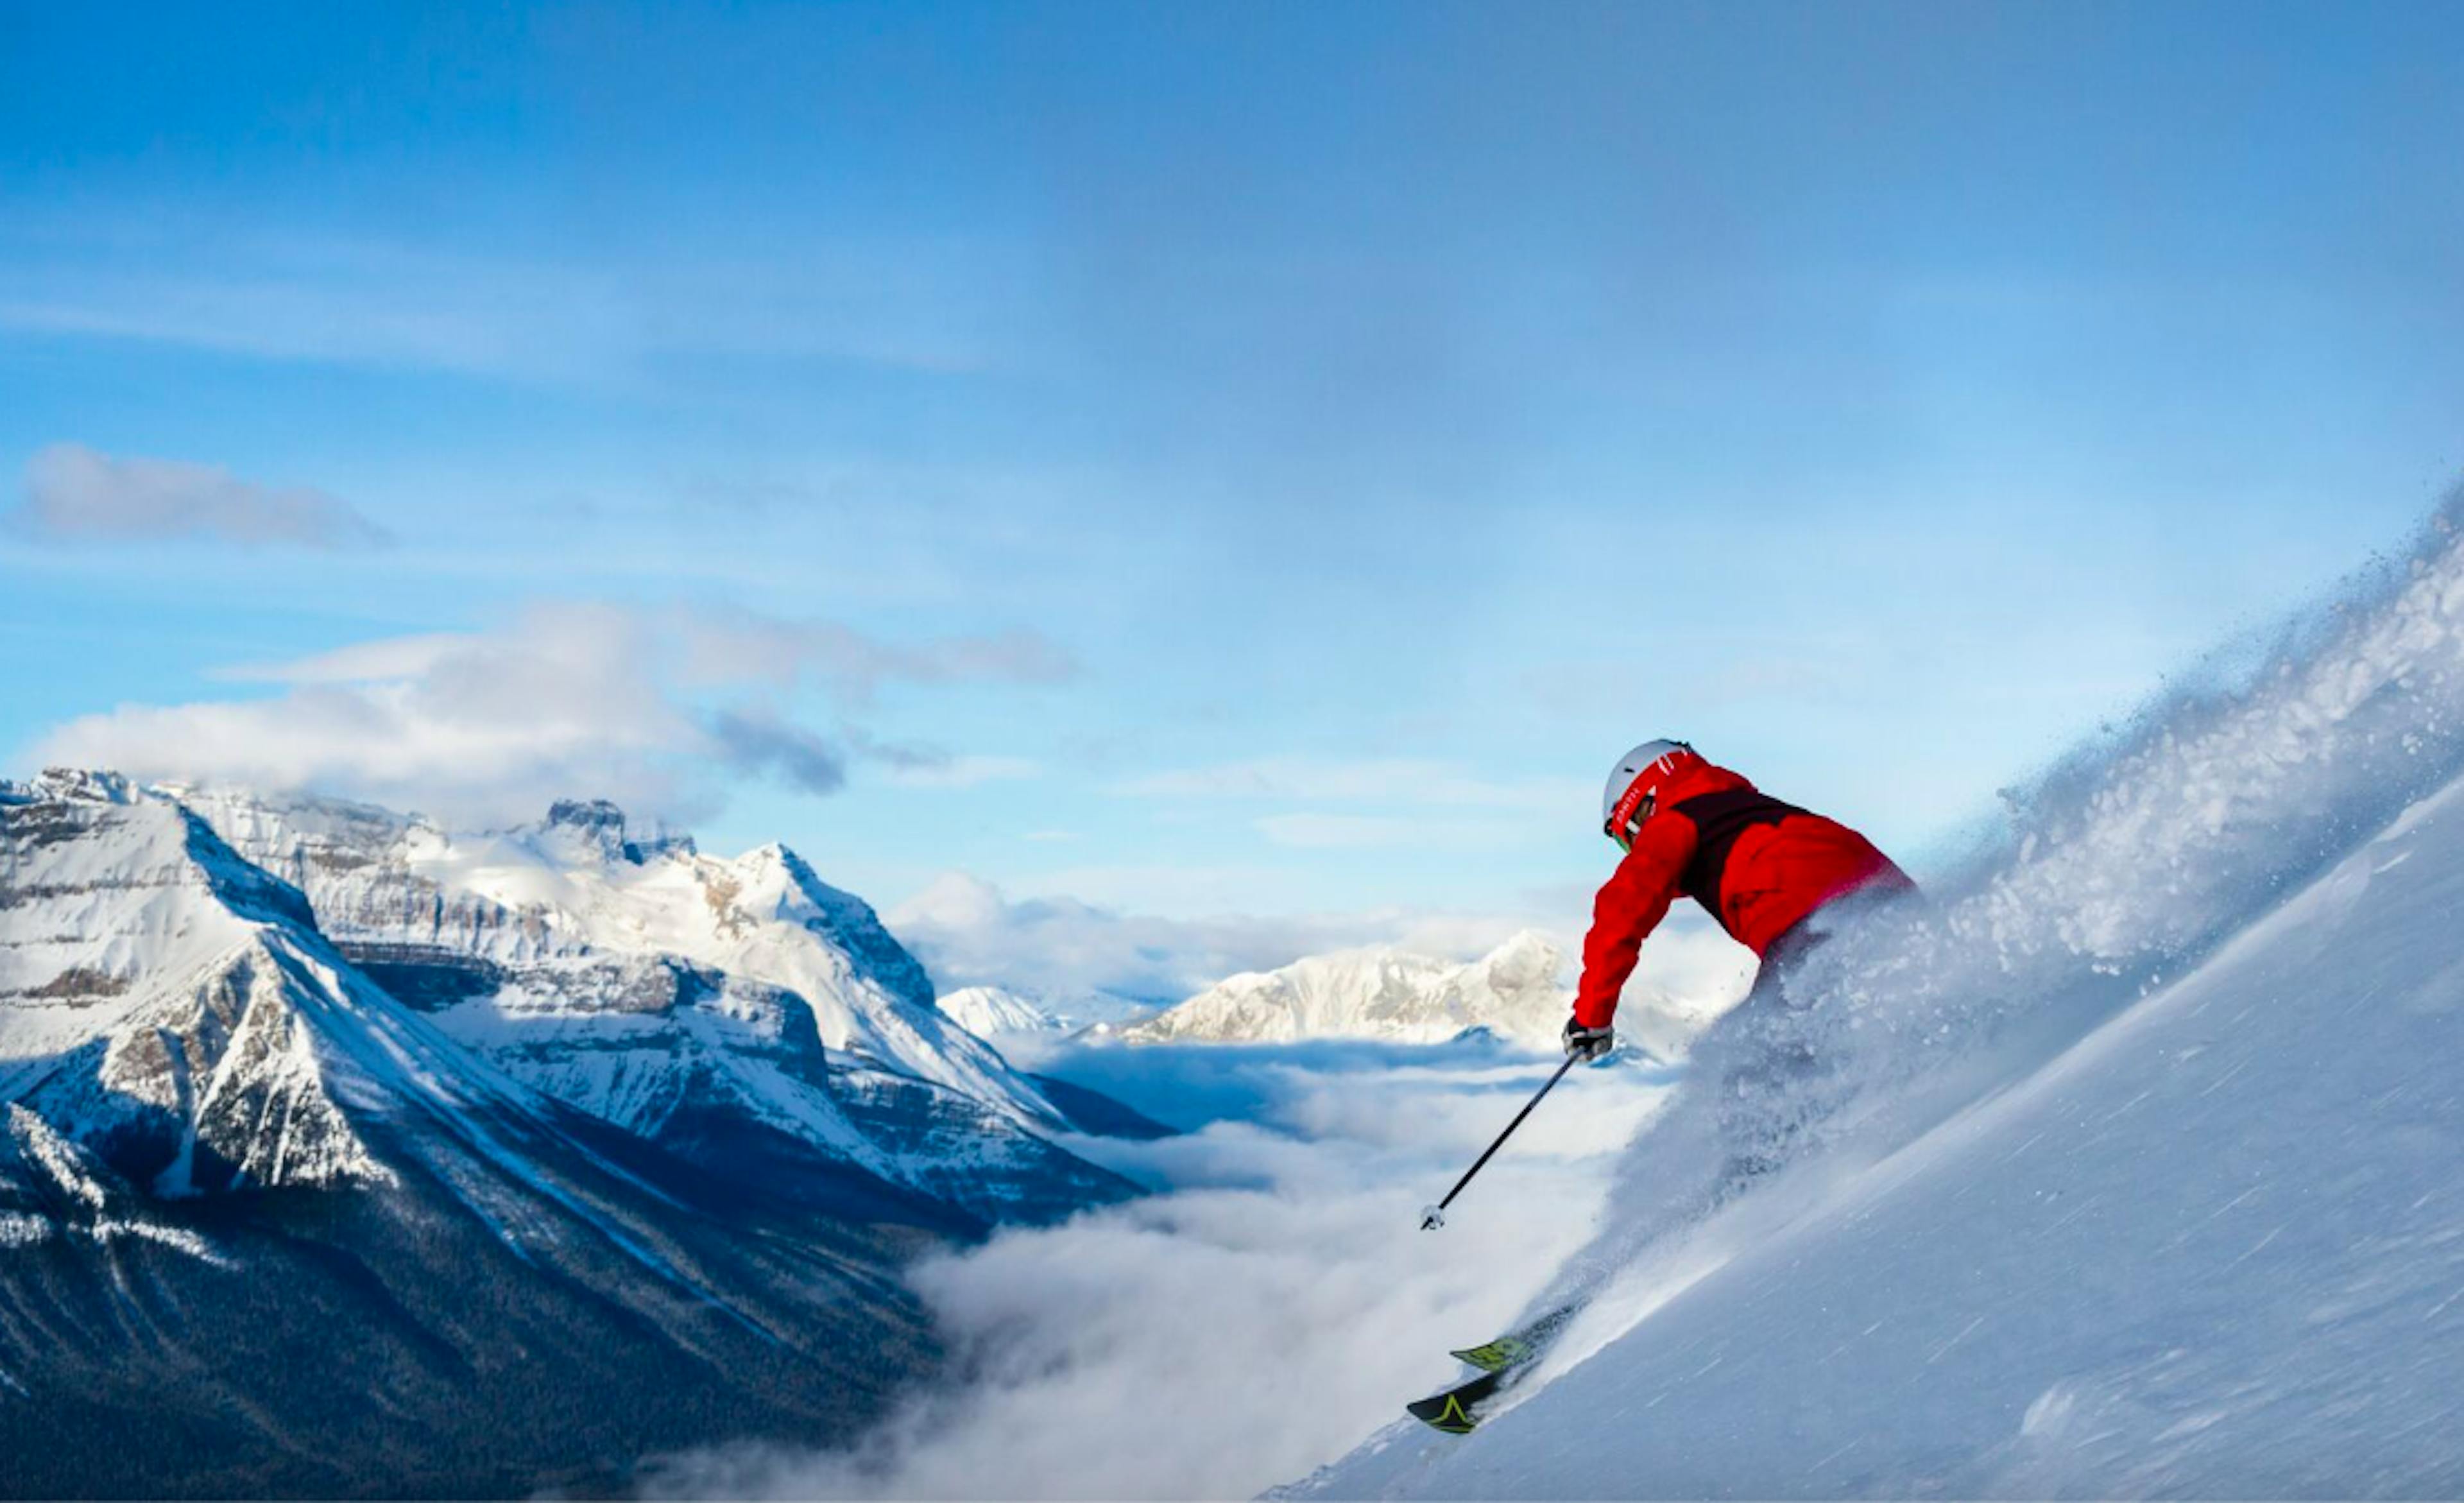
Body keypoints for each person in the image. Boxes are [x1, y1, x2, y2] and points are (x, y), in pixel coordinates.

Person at [1562, 739, 1914, 1063]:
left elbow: (1621, 911)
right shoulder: (1753, 810)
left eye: (1629, 839)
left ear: (1645, 805)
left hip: (1810, 926)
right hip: (1895, 904)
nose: (1633, 850)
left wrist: (1591, 1018)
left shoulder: (1675, 820)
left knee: (1756, 1067)